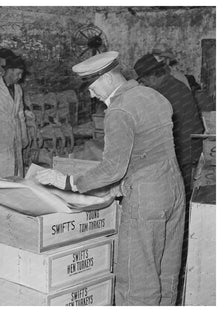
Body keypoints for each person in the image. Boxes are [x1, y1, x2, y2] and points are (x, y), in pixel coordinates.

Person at [36, 51, 185, 305]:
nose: (91, 95)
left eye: (92, 87)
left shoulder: (119, 110)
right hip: (174, 190)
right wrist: (119, 185)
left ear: (106, 78)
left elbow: (113, 167)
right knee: (166, 272)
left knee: (137, 279)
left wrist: (68, 181)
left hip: (145, 200)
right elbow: (147, 149)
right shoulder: (156, 96)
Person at [134, 53, 204, 207]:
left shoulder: (165, 93)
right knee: (181, 194)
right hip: (188, 147)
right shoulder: (173, 84)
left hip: (183, 151)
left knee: (177, 197)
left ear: (152, 76)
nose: (144, 84)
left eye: (144, 80)